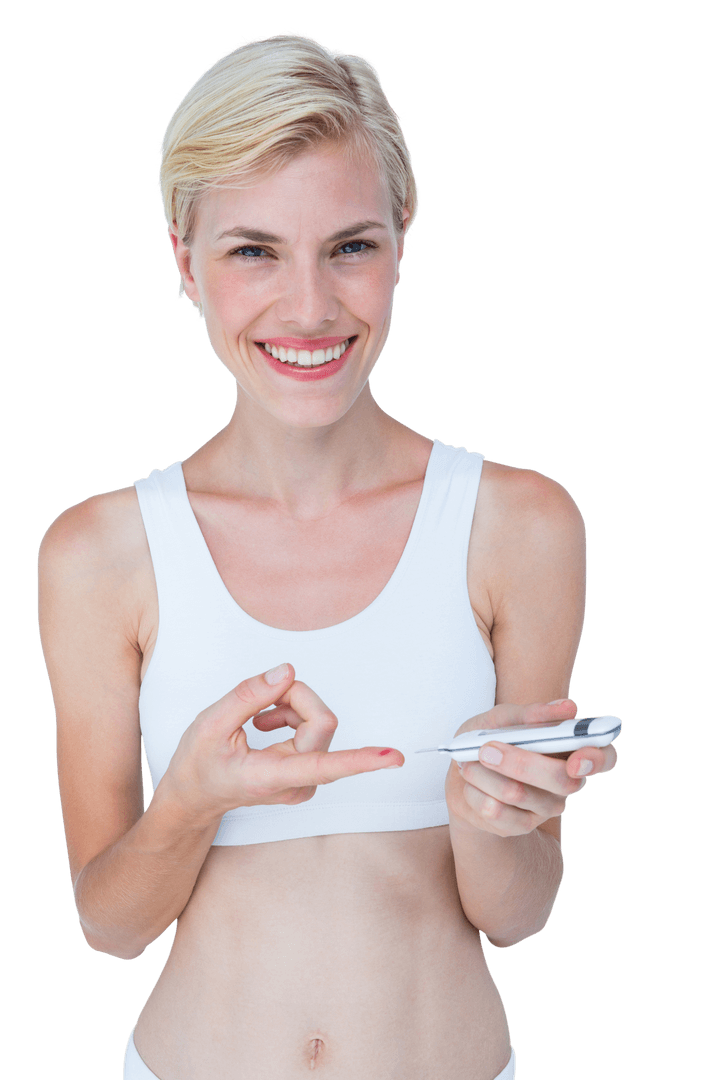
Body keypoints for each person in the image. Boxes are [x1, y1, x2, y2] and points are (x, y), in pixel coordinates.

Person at [37, 31, 618, 1079]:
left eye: (350, 246)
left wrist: (488, 813)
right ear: (185, 259)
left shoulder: (522, 524)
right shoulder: (99, 553)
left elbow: (520, 913)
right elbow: (109, 926)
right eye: (252, 249)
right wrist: (194, 798)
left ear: (403, 238)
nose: (308, 307)